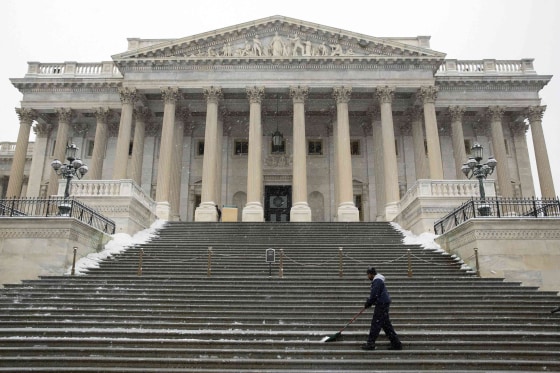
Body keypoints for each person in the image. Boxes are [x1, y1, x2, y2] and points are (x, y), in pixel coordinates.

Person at [361, 267, 402, 350]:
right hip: (383, 303)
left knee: (375, 324)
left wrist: (368, 303)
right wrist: (369, 302)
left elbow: (374, 295)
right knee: (386, 325)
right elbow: (376, 295)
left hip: (381, 304)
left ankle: (370, 343)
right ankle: (396, 344)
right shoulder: (378, 281)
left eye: (368, 275)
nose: (367, 277)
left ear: (371, 274)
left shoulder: (377, 281)